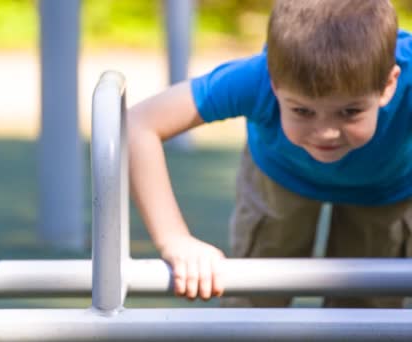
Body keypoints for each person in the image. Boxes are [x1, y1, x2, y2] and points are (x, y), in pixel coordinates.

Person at [128, 0, 412, 308]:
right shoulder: (256, 79)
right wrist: (175, 240)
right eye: (302, 110)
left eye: (350, 111)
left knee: (371, 304)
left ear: (388, 85)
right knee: (255, 297)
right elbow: (137, 124)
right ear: (275, 85)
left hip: (386, 186)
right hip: (281, 172)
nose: (325, 133)